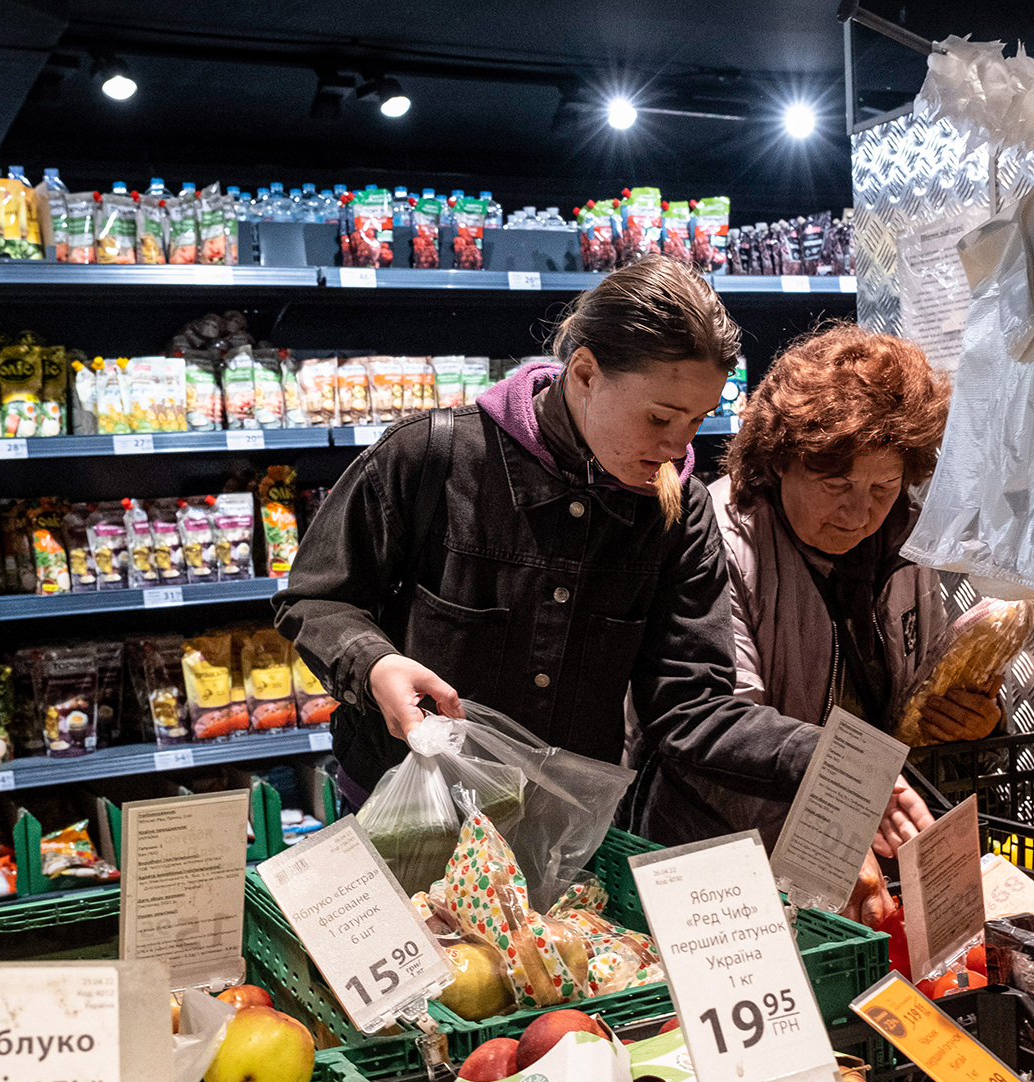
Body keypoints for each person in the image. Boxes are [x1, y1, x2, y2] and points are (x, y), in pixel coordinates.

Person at [277, 256, 928, 854]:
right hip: (401, 819)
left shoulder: (679, 511)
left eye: (697, 420)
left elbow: (689, 707)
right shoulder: (435, 457)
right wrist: (377, 663)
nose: (678, 446)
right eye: (659, 418)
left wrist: (835, 760)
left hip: (557, 843)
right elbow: (315, 595)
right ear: (585, 373)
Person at [633, 325, 998, 849]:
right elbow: (724, 734)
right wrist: (836, 823)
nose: (859, 513)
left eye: (882, 487)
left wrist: (973, 720)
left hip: (862, 833)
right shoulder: (720, 538)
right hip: (725, 850)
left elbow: (916, 701)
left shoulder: (906, 540)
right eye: (836, 484)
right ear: (781, 460)